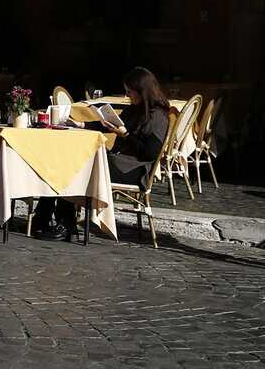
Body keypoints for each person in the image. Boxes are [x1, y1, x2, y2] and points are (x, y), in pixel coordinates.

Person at [33, 66, 171, 241]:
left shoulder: (157, 116)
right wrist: (81, 125)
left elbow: (150, 153)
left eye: (130, 92)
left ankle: (64, 223)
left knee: (73, 167)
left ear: (142, 91)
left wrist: (125, 135)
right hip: (119, 161)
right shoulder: (135, 109)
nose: (128, 96)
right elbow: (108, 124)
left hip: (134, 170)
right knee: (65, 160)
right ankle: (45, 217)